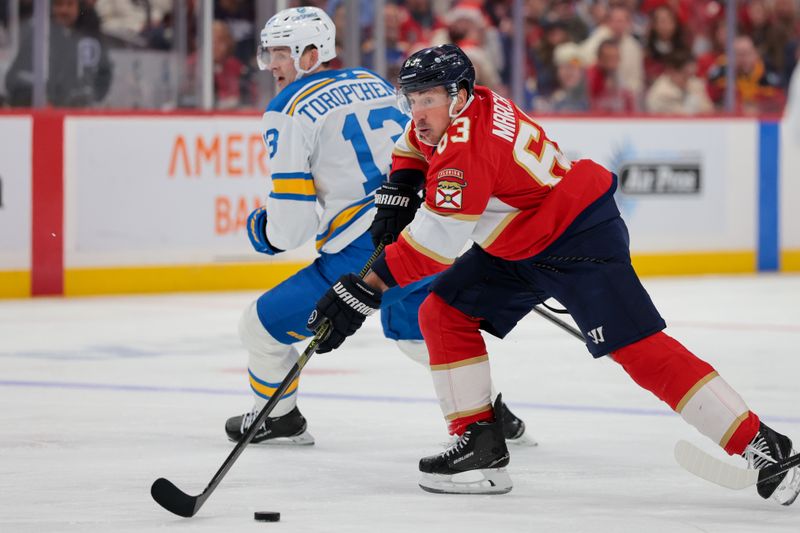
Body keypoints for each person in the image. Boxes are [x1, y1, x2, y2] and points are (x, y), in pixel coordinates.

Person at [308, 44, 800, 504]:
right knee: (444, 312)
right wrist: (403, 181)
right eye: (412, 99)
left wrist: (364, 290)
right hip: (519, 240)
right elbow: (413, 139)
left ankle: (764, 445)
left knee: (640, 351)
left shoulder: (465, 148)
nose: (419, 111)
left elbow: (435, 245)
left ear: (456, 97)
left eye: (428, 99)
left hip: (577, 239)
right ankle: (479, 447)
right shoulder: (464, 105)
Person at [226, 8, 531, 448]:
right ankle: (493, 414)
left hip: (359, 251)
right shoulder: (372, 80)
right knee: (415, 328)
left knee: (257, 328)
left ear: (311, 54)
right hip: (420, 229)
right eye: (269, 53)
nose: (271, 64)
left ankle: (279, 418)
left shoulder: (286, 109)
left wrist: (264, 232)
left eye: (280, 53)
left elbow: (290, 228)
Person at [5, 0, 112, 107]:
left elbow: (104, 73)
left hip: (80, 113)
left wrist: (92, 98)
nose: (64, 10)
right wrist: (35, 98)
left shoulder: (91, 36)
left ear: (79, 7)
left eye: (69, 5)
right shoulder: (38, 37)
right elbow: (14, 78)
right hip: (44, 113)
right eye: (58, 5)